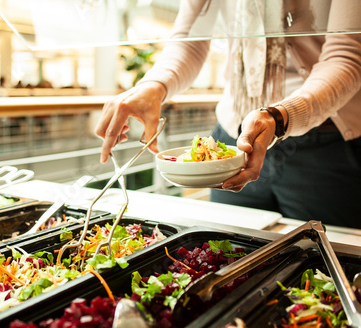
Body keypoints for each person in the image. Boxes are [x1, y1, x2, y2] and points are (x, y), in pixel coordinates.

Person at [94, 0, 361, 229]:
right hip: (235, 139)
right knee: (229, 256)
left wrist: (279, 116)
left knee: (325, 270)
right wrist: (154, 85)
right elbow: (190, 40)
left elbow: (347, 55)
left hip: (327, 143)